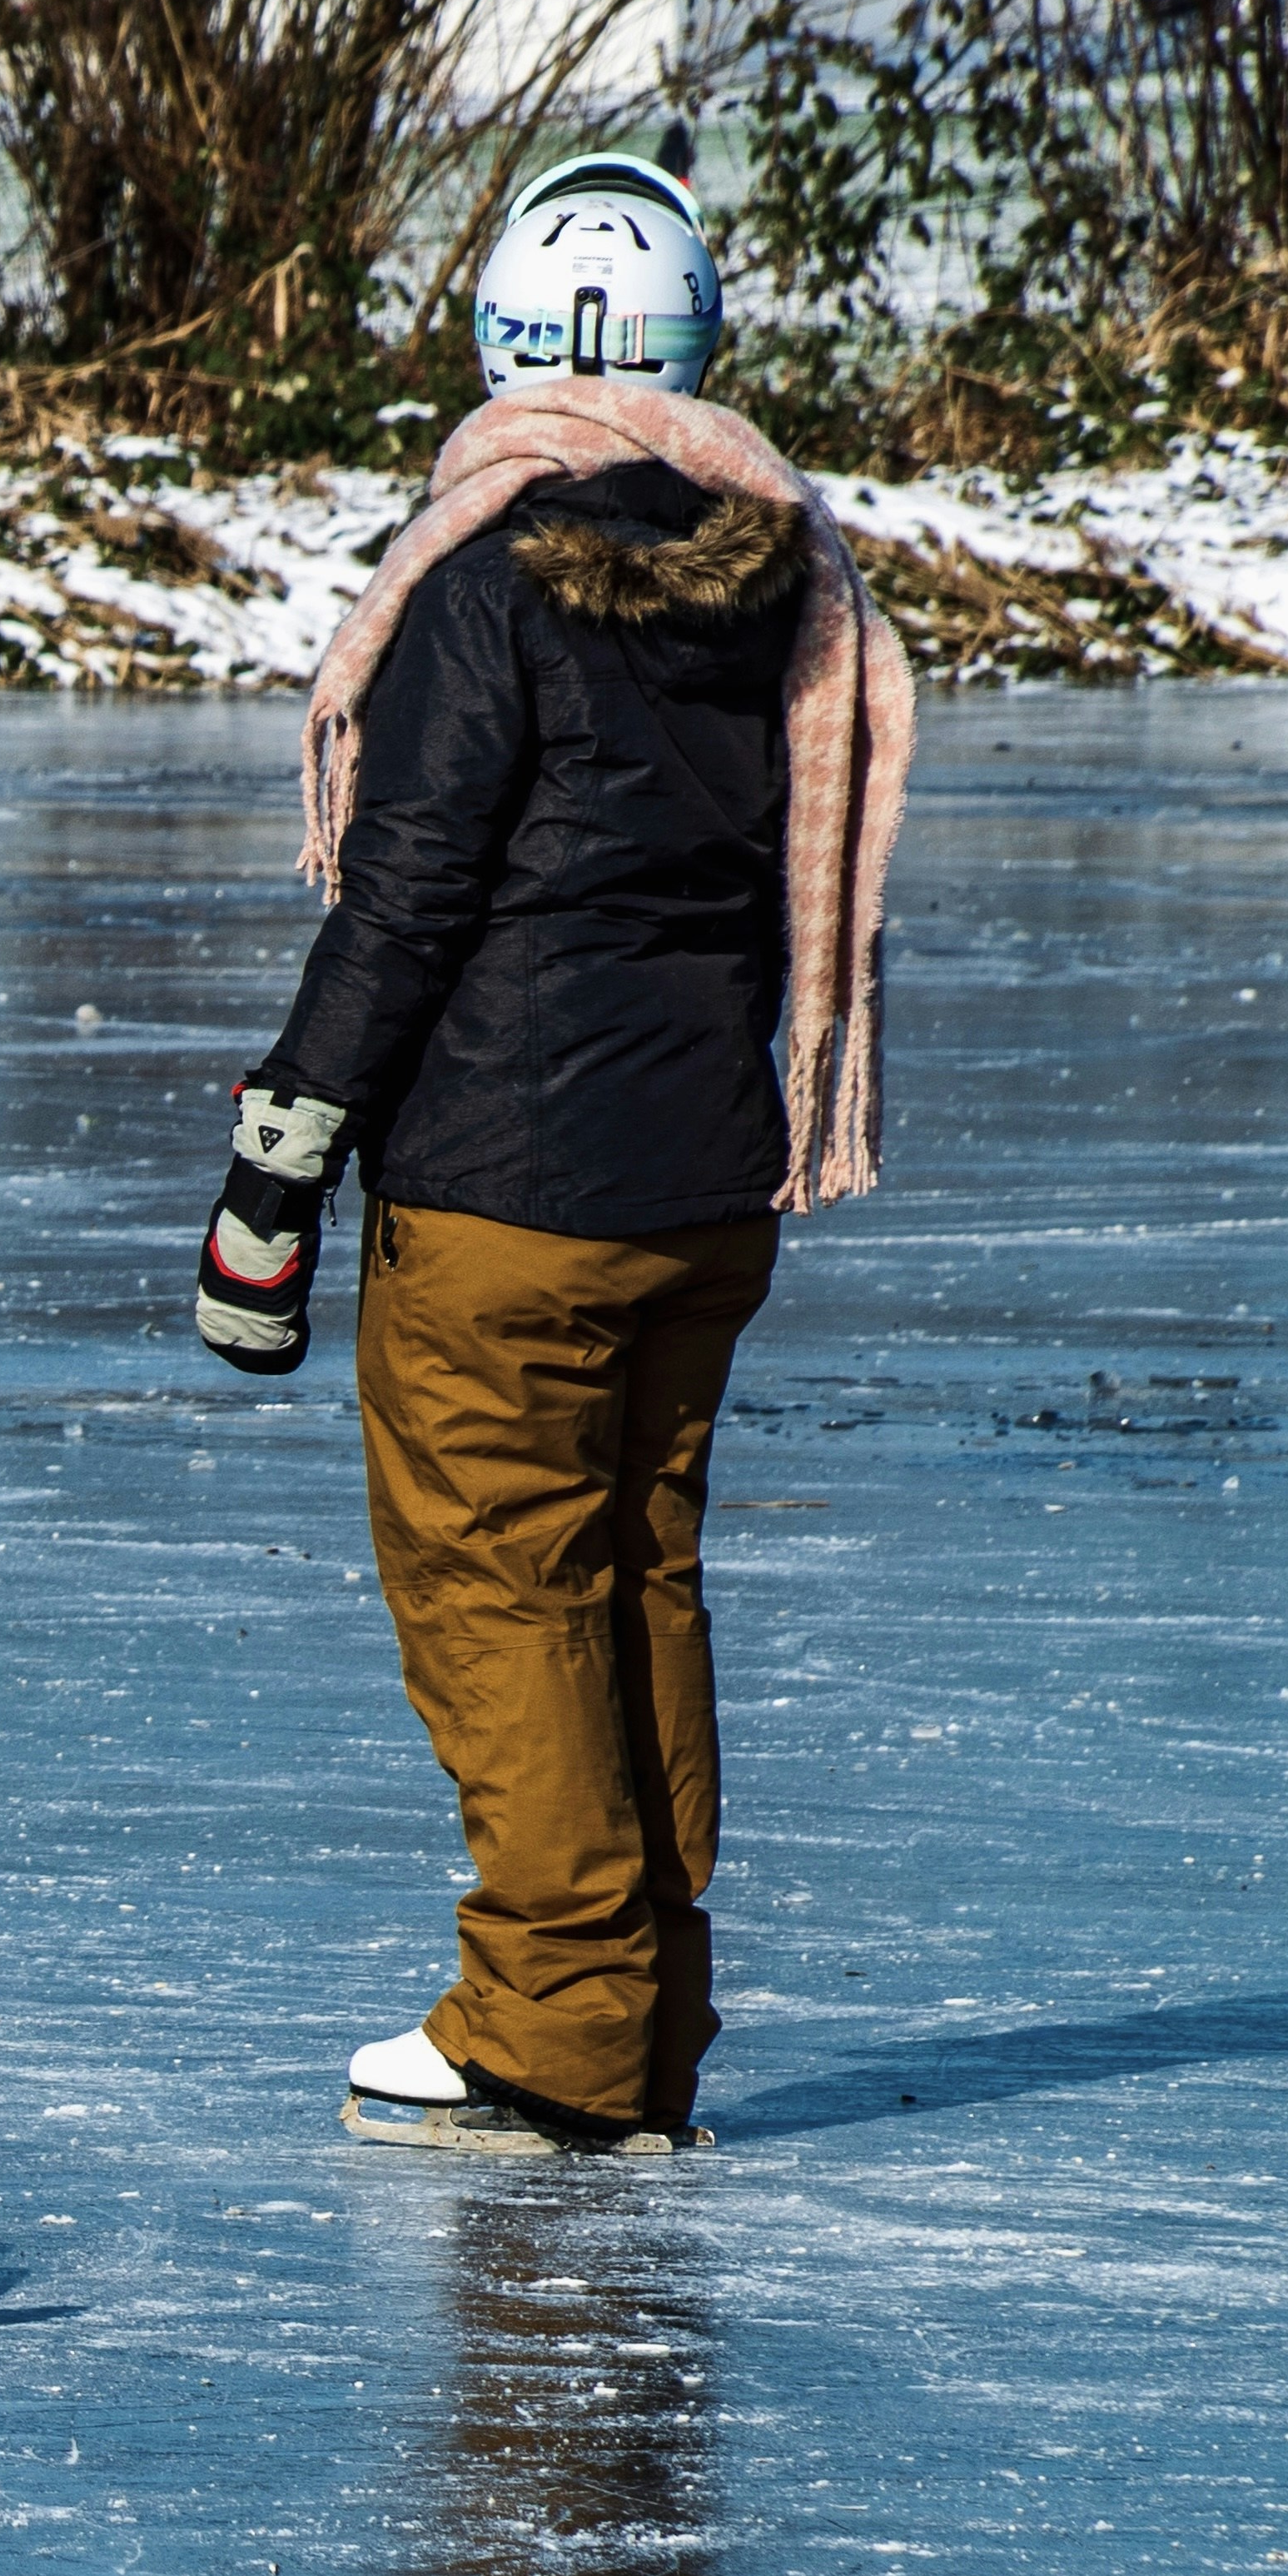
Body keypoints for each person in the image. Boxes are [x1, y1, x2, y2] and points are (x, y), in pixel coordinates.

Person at [192, 153, 911, 2156]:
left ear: (498, 343)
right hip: (696, 1187)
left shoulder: (482, 578)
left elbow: (402, 899)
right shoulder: (784, 579)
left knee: (501, 1590)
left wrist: (274, 1163)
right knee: (628, 1579)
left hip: (502, 1194)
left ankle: (549, 2029)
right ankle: (642, 2014)